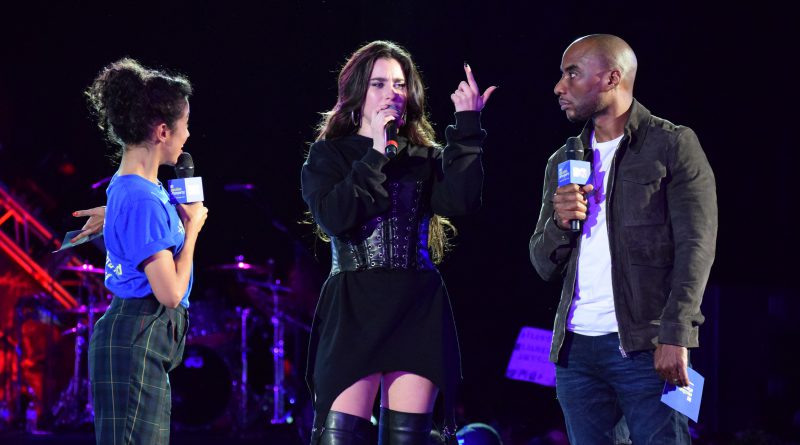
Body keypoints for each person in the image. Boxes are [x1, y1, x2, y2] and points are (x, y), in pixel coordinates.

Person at [301, 40, 495, 445]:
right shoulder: (327, 156)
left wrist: (468, 125)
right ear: (356, 94)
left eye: (400, 83)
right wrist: (374, 151)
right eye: (379, 83)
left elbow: (461, 201)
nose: (392, 92)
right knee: (341, 437)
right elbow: (336, 217)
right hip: (354, 307)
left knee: (409, 439)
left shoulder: (421, 157)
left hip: (416, 306)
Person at [529, 34, 717, 444]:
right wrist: (560, 224)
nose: (559, 87)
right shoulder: (563, 159)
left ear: (612, 77)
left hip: (649, 346)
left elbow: (696, 248)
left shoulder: (672, 145)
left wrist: (676, 334)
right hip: (576, 353)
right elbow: (542, 264)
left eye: (572, 73)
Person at [84, 57, 208, 444]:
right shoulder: (140, 196)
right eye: (184, 126)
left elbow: (137, 209)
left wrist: (114, 214)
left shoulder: (137, 189)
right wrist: (192, 232)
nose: (187, 135)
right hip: (137, 337)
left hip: (139, 342)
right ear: (161, 131)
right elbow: (170, 293)